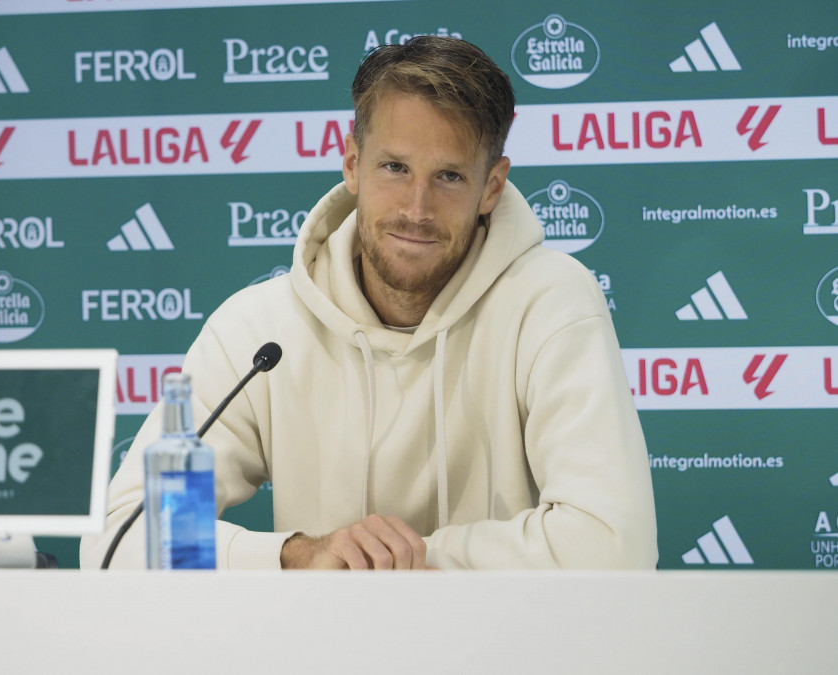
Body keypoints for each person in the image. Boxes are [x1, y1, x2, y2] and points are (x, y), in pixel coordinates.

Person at [81, 36, 657, 570]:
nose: (417, 208)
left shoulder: (550, 301)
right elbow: (118, 540)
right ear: (353, 163)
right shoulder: (260, 331)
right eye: (394, 168)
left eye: (450, 176)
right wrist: (297, 556)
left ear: (492, 187)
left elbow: (614, 543)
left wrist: (398, 563)